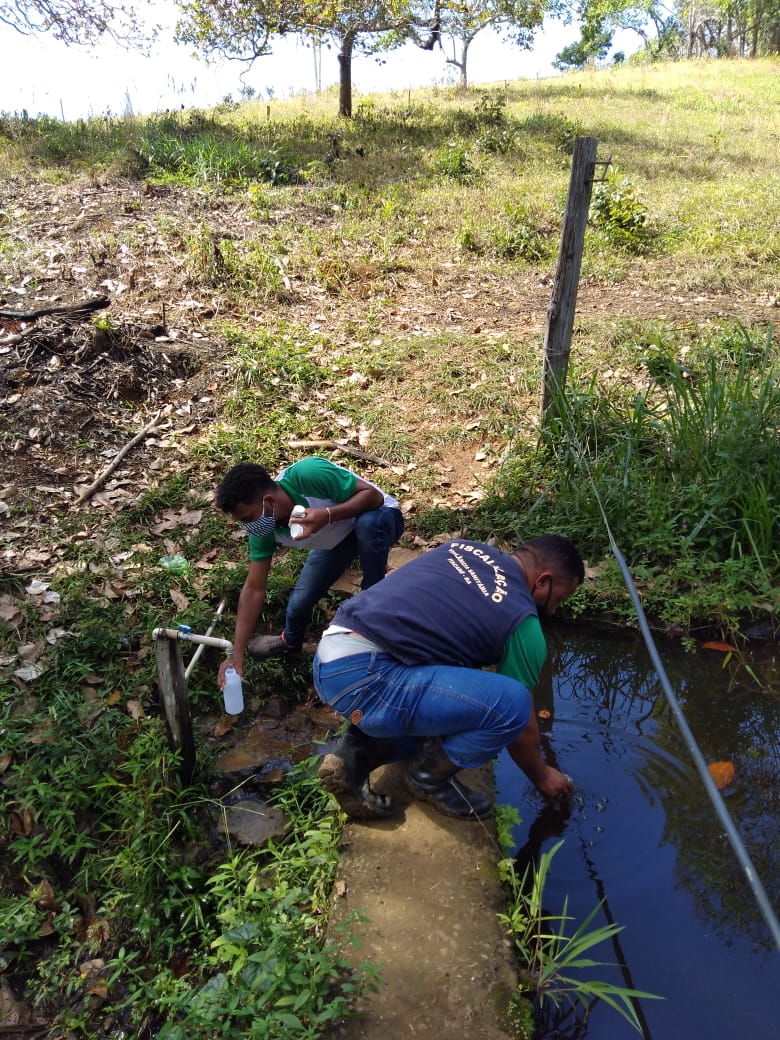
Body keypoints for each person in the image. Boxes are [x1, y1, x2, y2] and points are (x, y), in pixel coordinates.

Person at [313, 535, 584, 821]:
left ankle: (354, 755)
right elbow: (522, 728)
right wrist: (542, 776)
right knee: (511, 705)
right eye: (558, 599)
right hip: (369, 677)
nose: (552, 610)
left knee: (456, 703)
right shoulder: (523, 623)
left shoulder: (466, 548)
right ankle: (426, 778)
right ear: (542, 581)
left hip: (330, 660)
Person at [215, 458, 404, 687]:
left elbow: (374, 497)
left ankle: (371, 610)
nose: (249, 527)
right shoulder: (263, 528)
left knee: (367, 525)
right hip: (337, 541)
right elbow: (254, 588)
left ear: (268, 501)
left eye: (247, 518)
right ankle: (290, 642)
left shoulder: (308, 474)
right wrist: (236, 656)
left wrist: (326, 515)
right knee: (298, 603)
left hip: (378, 516)